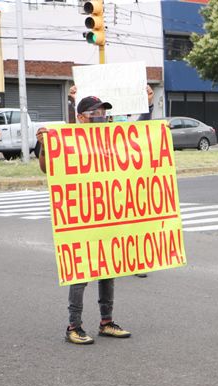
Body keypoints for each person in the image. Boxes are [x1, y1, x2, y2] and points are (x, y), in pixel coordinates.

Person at [38, 96, 132, 344]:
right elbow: (48, 169)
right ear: (80, 117)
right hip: (80, 216)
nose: (101, 116)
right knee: (80, 272)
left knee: (109, 269)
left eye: (103, 111)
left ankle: (106, 321)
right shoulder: (66, 141)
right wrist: (45, 146)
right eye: (95, 112)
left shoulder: (110, 140)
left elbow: (139, 146)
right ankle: (73, 326)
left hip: (107, 214)